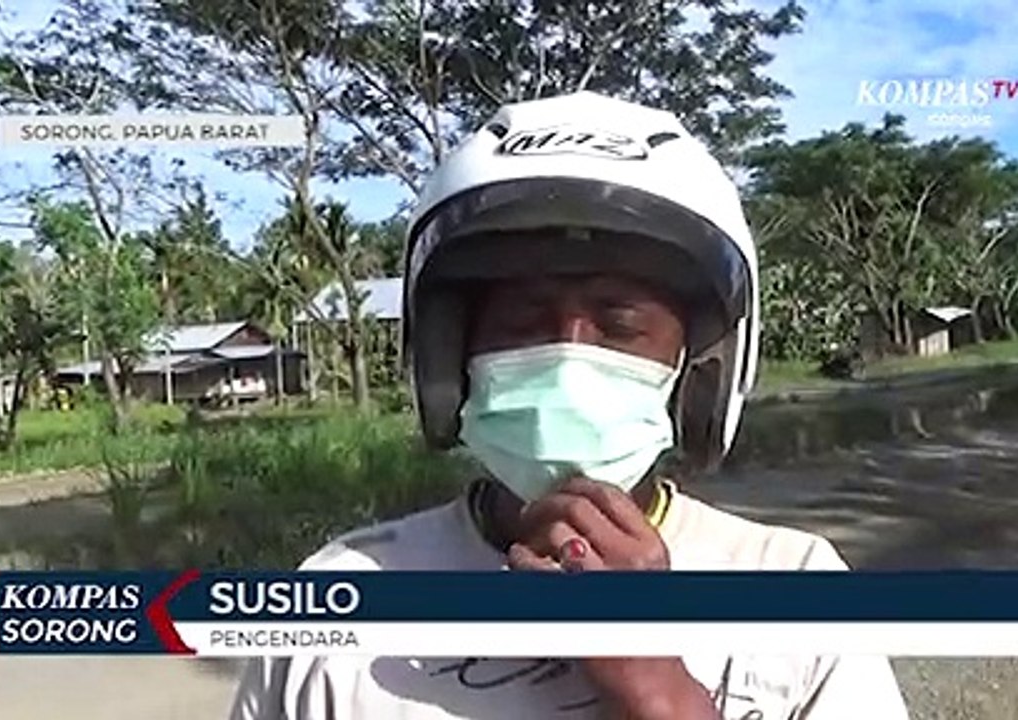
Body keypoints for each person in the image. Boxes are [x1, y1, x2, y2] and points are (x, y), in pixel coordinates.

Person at [230, 91, 910, 720]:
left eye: (619, 326)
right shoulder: (341, 597)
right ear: (452, 357)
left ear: (696, 370)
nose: (568, 359)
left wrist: (662, 693)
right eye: (524, 320)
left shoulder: (791, 586)